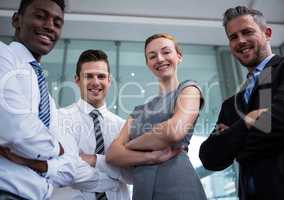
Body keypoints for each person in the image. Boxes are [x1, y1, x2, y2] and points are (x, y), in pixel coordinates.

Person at [106, 33, 207, 200]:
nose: (159, 59)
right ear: (148, 64)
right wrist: (151, 156)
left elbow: (173, 131)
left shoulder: (189, 90)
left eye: (166, 52)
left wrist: (129, 147)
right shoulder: (139, 110)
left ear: (179, 56)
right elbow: (112, 155)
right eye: (152, 56)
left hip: (177, 181)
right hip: (142, 187)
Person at [0, 0, 68, 199]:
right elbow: (17, 131)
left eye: (57, 23)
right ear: (16, 20)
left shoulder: (48, 99)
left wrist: (20, 147)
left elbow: (69, 162)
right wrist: (57, 147)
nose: (49, 26)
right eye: (40, 16)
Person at [199, 6, 284, 200]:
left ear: (267, 33)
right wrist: (248, 121)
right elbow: (210, 157)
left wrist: (232, 139)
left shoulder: (280, 71)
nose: (241, 41)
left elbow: (276, 123)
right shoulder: (231, 104)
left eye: (247, 32)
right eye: (233, 37)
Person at [51, 49, 133, 200]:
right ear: (77, 80)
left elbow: (132, 174)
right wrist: (113, 176)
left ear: (109, 80)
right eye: (88, 76)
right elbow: (68, 170)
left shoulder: (123, 127)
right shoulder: (59, 118)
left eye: (101, 76)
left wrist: (95, 160)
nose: (95, 82)